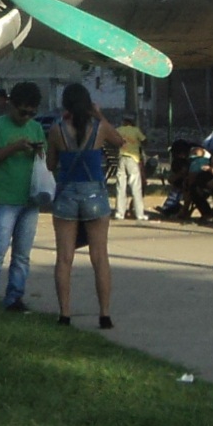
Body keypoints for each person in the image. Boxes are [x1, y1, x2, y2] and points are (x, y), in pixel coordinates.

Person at [47, 82, 126, 328]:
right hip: (95, 195)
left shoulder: (56, 130)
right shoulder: (99, 128)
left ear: (66, 105)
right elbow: (120, 141)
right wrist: (99, 114)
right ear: (88, 103)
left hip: (67, 194)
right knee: (99, 256)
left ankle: (65, 314)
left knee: (64, 258)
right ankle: (104, 314)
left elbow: (50, 165)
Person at [0, 82, 46, 311]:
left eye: (31, 113)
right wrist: (14, 148)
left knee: (22, 255)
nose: (26, 117)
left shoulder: (36, 128)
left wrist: (38, 151)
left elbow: (44, 159)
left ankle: (14, 296)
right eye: (22, 111)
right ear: (11, 106)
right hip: (5, 198)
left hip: (30, 198)